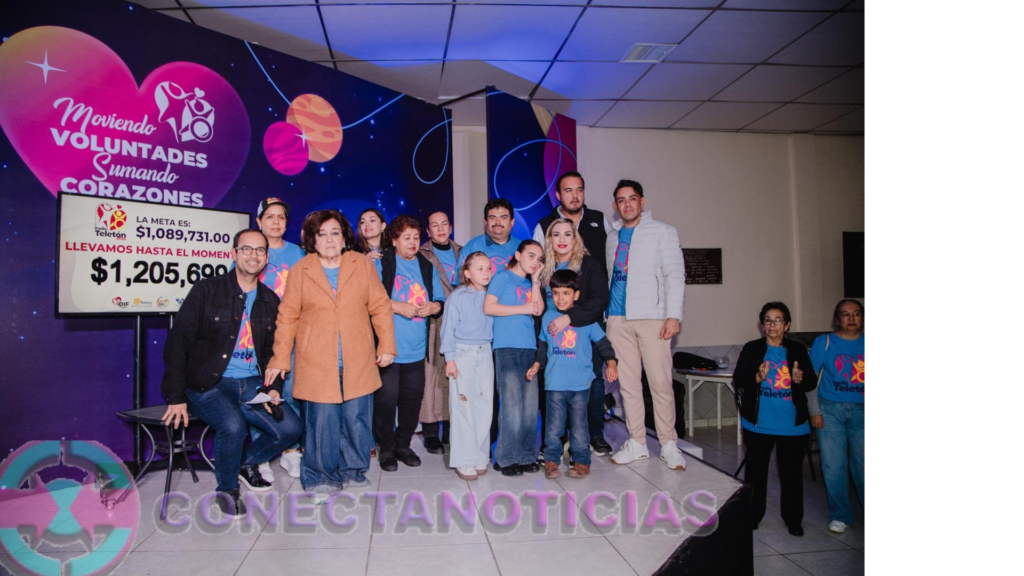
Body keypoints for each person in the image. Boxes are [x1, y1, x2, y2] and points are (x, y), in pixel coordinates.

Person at [160, 229, 301, 517]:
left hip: (251, 383)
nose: (253, 255)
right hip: (207, 383)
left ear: (267, 258)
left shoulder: (270, 300)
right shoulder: (206, 290)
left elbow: (271, 352)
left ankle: (245, 464)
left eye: (260, 250)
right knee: (233, 426)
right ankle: (227, 490)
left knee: (290, 428)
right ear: (234, 253)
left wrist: (273, 387)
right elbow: (177, 344)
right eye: (246, 249)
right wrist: (175, 397)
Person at [265, 210, 396, 504]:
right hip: (316, 360)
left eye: (334, 232)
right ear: (312, 240)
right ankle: (320, 478)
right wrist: (280, 358)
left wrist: (386, 344)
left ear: (344, 237)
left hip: (358, 356)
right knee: (322, 422)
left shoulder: (361, 264)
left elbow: (380, 306)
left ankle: (353, 469)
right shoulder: (301, 270)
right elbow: (287, 316)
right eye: (321, 234)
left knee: (357, 418)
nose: (329, 239)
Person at [604, 180, 688, 471]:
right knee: (628, 386)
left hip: (652, 317)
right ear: (615, 205)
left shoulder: (663, 232)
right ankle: (637, 441)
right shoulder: (612, 237)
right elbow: (611, 276)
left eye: (632, 198)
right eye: (621, 200)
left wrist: (673, 315)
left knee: (660, 383)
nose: (627, 204)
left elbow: (675, 275)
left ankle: (669, 444)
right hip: (617, 319)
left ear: (642, 201)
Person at [735, 302, 818, 536]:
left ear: (787, 324)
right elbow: (739, 378)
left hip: (792, 425)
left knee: (791, 474)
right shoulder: (752, 348)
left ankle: (793, 520)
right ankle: (753, 516)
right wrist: (757, 377)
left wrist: (800, 378)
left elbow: (811, 383)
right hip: (759, 424)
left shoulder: (797, 349)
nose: (772, 325)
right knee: (756, 474)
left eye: (778, 320)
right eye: (768, 320)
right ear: (762, 325)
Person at [527, 269, 618, 480]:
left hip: (580, 384)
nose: (560, 298)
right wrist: (537, 363)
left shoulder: (586, 319)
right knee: (553, 426)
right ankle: (551, 460)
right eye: (556, 293)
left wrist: (612, 362)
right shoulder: (548, 317)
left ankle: (582, 461)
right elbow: (543, 345)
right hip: (554, 383)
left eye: (566, 293)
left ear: (576, 295)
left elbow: (603, 343)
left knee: (579, 426)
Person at [372, 215, 446, 472]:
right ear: (394, 240)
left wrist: (434, 306)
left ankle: (403, 446)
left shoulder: (426, 266)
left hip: (416, 350)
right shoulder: (382, 263)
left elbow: (440, 300)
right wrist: (398, 306)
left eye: (416, 237)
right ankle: (387, 449)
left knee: (411, 402)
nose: (413, 242)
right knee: (386, 402)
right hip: (389, 350)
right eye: (406, 237)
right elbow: (371, 298)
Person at [536, 218, 612, 457]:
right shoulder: (543, 267)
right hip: (552, 338)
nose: (562, 240)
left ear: (575, 238)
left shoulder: (589, 265)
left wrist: (569, 318)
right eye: (556, 235)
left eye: (567, 234)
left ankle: (594, 435)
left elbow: (600, 300)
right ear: (549, 240)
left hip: (583, 334)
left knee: (592, 383)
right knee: (552, 387)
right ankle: (555, 441)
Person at [251, 197, 307, 483]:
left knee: (290, 392)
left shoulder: (297, 253)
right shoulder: (252, 250)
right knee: (258, 394)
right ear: (259, 221)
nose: (276, 222)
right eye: (269, 216)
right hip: (256, 334)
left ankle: (291, 450)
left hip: (291, 334)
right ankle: (259, 456)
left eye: (281, 217)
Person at [484, 240, 544, 476]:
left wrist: (536, 280)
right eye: (531, 256)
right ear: (518, 255)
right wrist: (522, 308)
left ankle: (525, 455)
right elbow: (489, 307)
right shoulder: (502, 277)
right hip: (506, 347)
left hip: (528, 347)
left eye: (539, 259)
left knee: (530, 406)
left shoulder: (530, 283)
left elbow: (537, 309)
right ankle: (506, 458)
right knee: (511, 404)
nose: (535, 262)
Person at [808, 299, 865, 535]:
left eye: (856, 314)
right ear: (837, 319)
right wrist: (815, 411)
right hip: (829, 410)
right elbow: (810, 380)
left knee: (864, 466)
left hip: (864, 412)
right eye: (845, 314)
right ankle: (840, 515)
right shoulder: (824, 342)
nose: (851, 318)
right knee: (834, 466)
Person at [440, 252, 494, 480]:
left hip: (485, 352)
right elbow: (447, 329)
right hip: (463, 354)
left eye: (488, 268)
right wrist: (450, 358)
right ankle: (464, 460)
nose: (486, 273)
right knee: (463, 406)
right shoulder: (458, 297)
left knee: (485, 406)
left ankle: (479, 455)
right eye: (479, 269)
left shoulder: (492, 295)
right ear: (467, 273)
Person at [418, 210, 462, 454]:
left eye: (444, 224)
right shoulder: (422, 253)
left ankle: (451, 430)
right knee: (432, 377)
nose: (441, 228)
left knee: (455, 376)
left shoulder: (463, 252)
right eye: (435, 225)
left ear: (451, 227)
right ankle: (431, 432)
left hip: (462, 322)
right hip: (435, 320)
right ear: (428, 231)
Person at [532, 171, 612, 267]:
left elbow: (612, 256)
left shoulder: (599, 218)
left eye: (579, 190)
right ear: (558, 195)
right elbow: (535, 263)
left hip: (597, 277)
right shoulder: (544, 225)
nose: (575, 195)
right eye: (568, 190)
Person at [455, 198, 522, 280]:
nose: (498, 222)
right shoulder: (472, 247)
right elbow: (459, 283)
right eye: (492, 217)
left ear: (512, 222)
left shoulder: (522, 248)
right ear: (485, 222)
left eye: (503, 217)